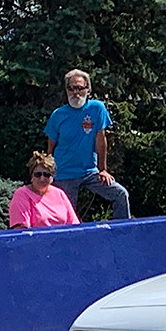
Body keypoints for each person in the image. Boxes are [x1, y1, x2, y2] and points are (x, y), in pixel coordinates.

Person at [44, 69, 130, 220]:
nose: (75, 93)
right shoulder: (58, 115)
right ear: (66, 90)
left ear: (88, 90)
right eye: (71, 88)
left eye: (79, 88)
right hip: (64, 173)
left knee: (120, 194)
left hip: (90, 172)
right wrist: (48, 173)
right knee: (66, 218)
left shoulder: (97, 109)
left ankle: (123, 233)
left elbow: (101, 140)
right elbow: (50, 148)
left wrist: (103, 169)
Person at [9, 152, 80, 229]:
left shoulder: (59, 194)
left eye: (47, 175)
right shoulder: (22, 194)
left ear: (52, 177)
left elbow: (74, 225)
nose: (42, 178)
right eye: (38, 174)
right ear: (31, 176)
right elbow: (21, 231)